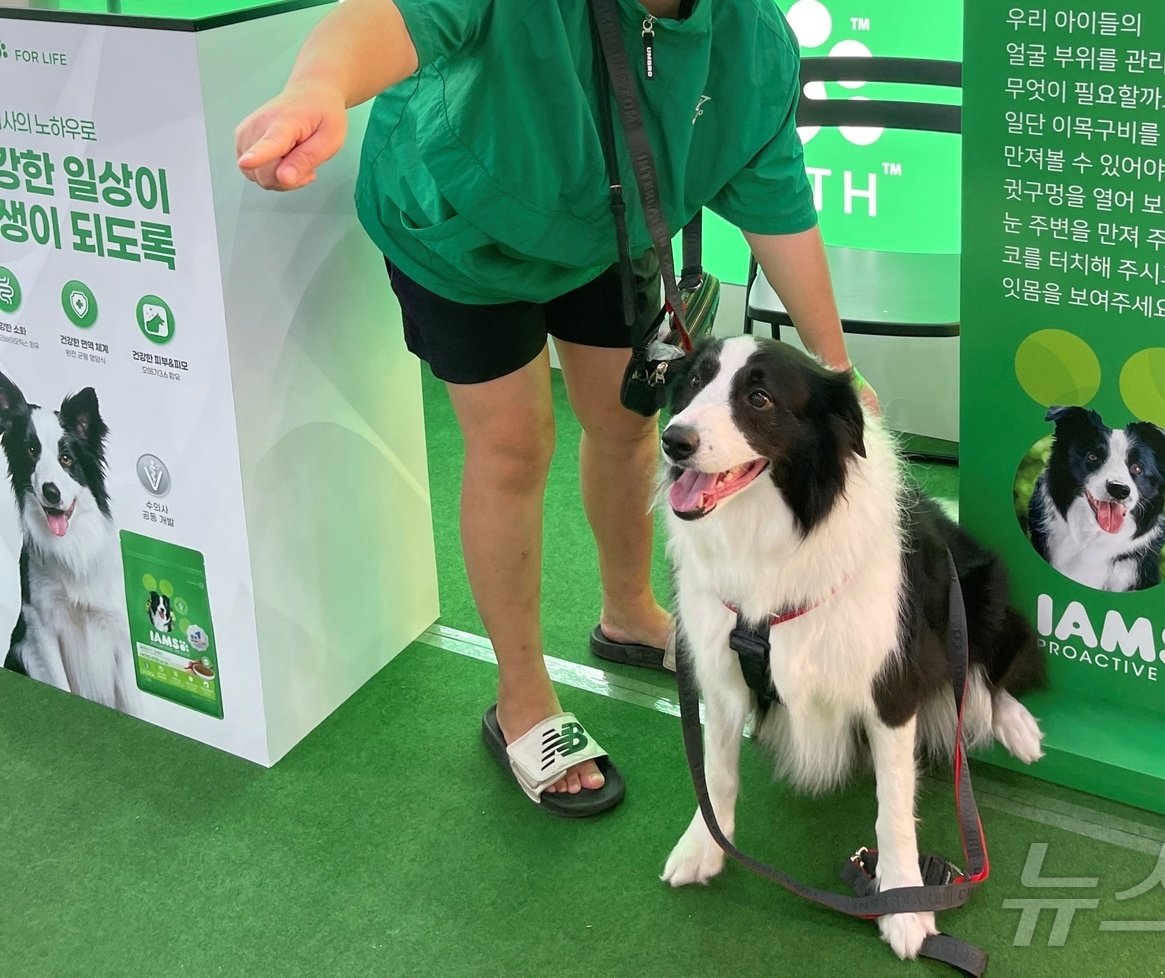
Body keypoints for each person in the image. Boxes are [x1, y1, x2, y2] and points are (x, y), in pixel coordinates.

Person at [235, 0, 878, 816]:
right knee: (514, 448)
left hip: (608, 230)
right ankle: (522, 700)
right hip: (462, 227)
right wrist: (318, 86)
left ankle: (629, 613)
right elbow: (394, 13)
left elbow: (776, 198)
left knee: (627, 423)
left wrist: (837, 368)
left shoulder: (750, 36)